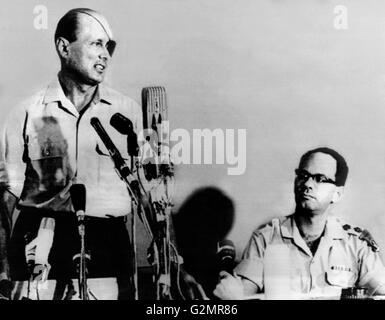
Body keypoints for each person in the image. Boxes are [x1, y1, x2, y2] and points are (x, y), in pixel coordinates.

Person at [0, 8, 144, 299]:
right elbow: (6, 197)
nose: (105, 54)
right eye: (95, 43)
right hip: (39, 243)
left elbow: (150, 190)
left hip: (108, 245)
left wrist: (174, 261)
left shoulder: (126, 112)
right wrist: (2, 265)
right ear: (64, 47)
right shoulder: (27, 113)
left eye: (108, 46)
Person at [214, 147, 385, 299]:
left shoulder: (356, 244)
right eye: (303, 176)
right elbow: (241, 296)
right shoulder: (266, 239)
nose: (308, 184)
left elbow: (381, 293)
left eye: (320, 178)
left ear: (337, 194)